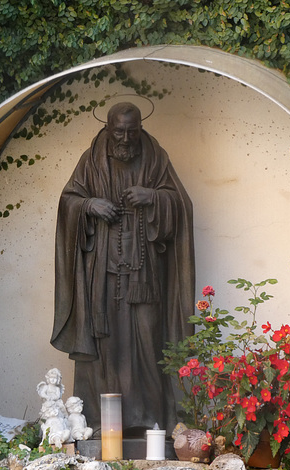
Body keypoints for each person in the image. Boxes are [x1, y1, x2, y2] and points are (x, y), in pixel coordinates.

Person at [50, 102, 195, 435]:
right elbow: (68, 200)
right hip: (103, 269)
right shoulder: (92, 160)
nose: (127, 138)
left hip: (145, 272)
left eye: (133, 131)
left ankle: (151, 420)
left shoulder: (156, 156)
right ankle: (104, 424)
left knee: (149, 340)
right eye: (120, 131)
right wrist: (90, 205)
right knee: (107, 346)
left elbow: (181, 203)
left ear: (141, 127)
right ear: (108, 128)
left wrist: (154, 197)